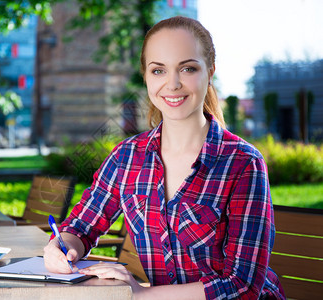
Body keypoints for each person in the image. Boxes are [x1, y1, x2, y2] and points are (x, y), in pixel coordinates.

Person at [43, 16, 286, 299]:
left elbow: (242, 286)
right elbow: (81, 228)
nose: (172, 84)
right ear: (146, 76)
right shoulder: (127, 157)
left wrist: (140, 294)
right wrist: (61, 248)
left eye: (188, 68)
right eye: (158, 71)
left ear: (210, 71)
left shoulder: (243, 163)